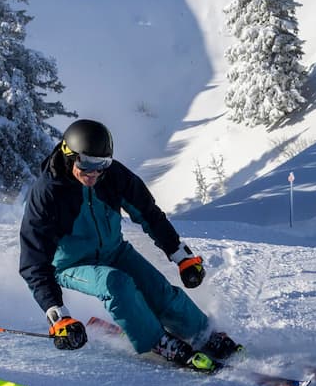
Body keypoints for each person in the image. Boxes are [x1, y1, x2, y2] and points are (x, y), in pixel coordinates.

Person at [19, 119, 239, 370]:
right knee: (116, 283)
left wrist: (181, 256)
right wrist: (58, 316)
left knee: (158, 289)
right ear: (70, 156)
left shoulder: (112, 177)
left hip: (115, 251)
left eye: (102, 165)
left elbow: (149, 214)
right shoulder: (48, 193)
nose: (94, 174)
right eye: (87, 165)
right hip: (71, 264)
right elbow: (33, 261)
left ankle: (203, 334)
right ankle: (157, 341)